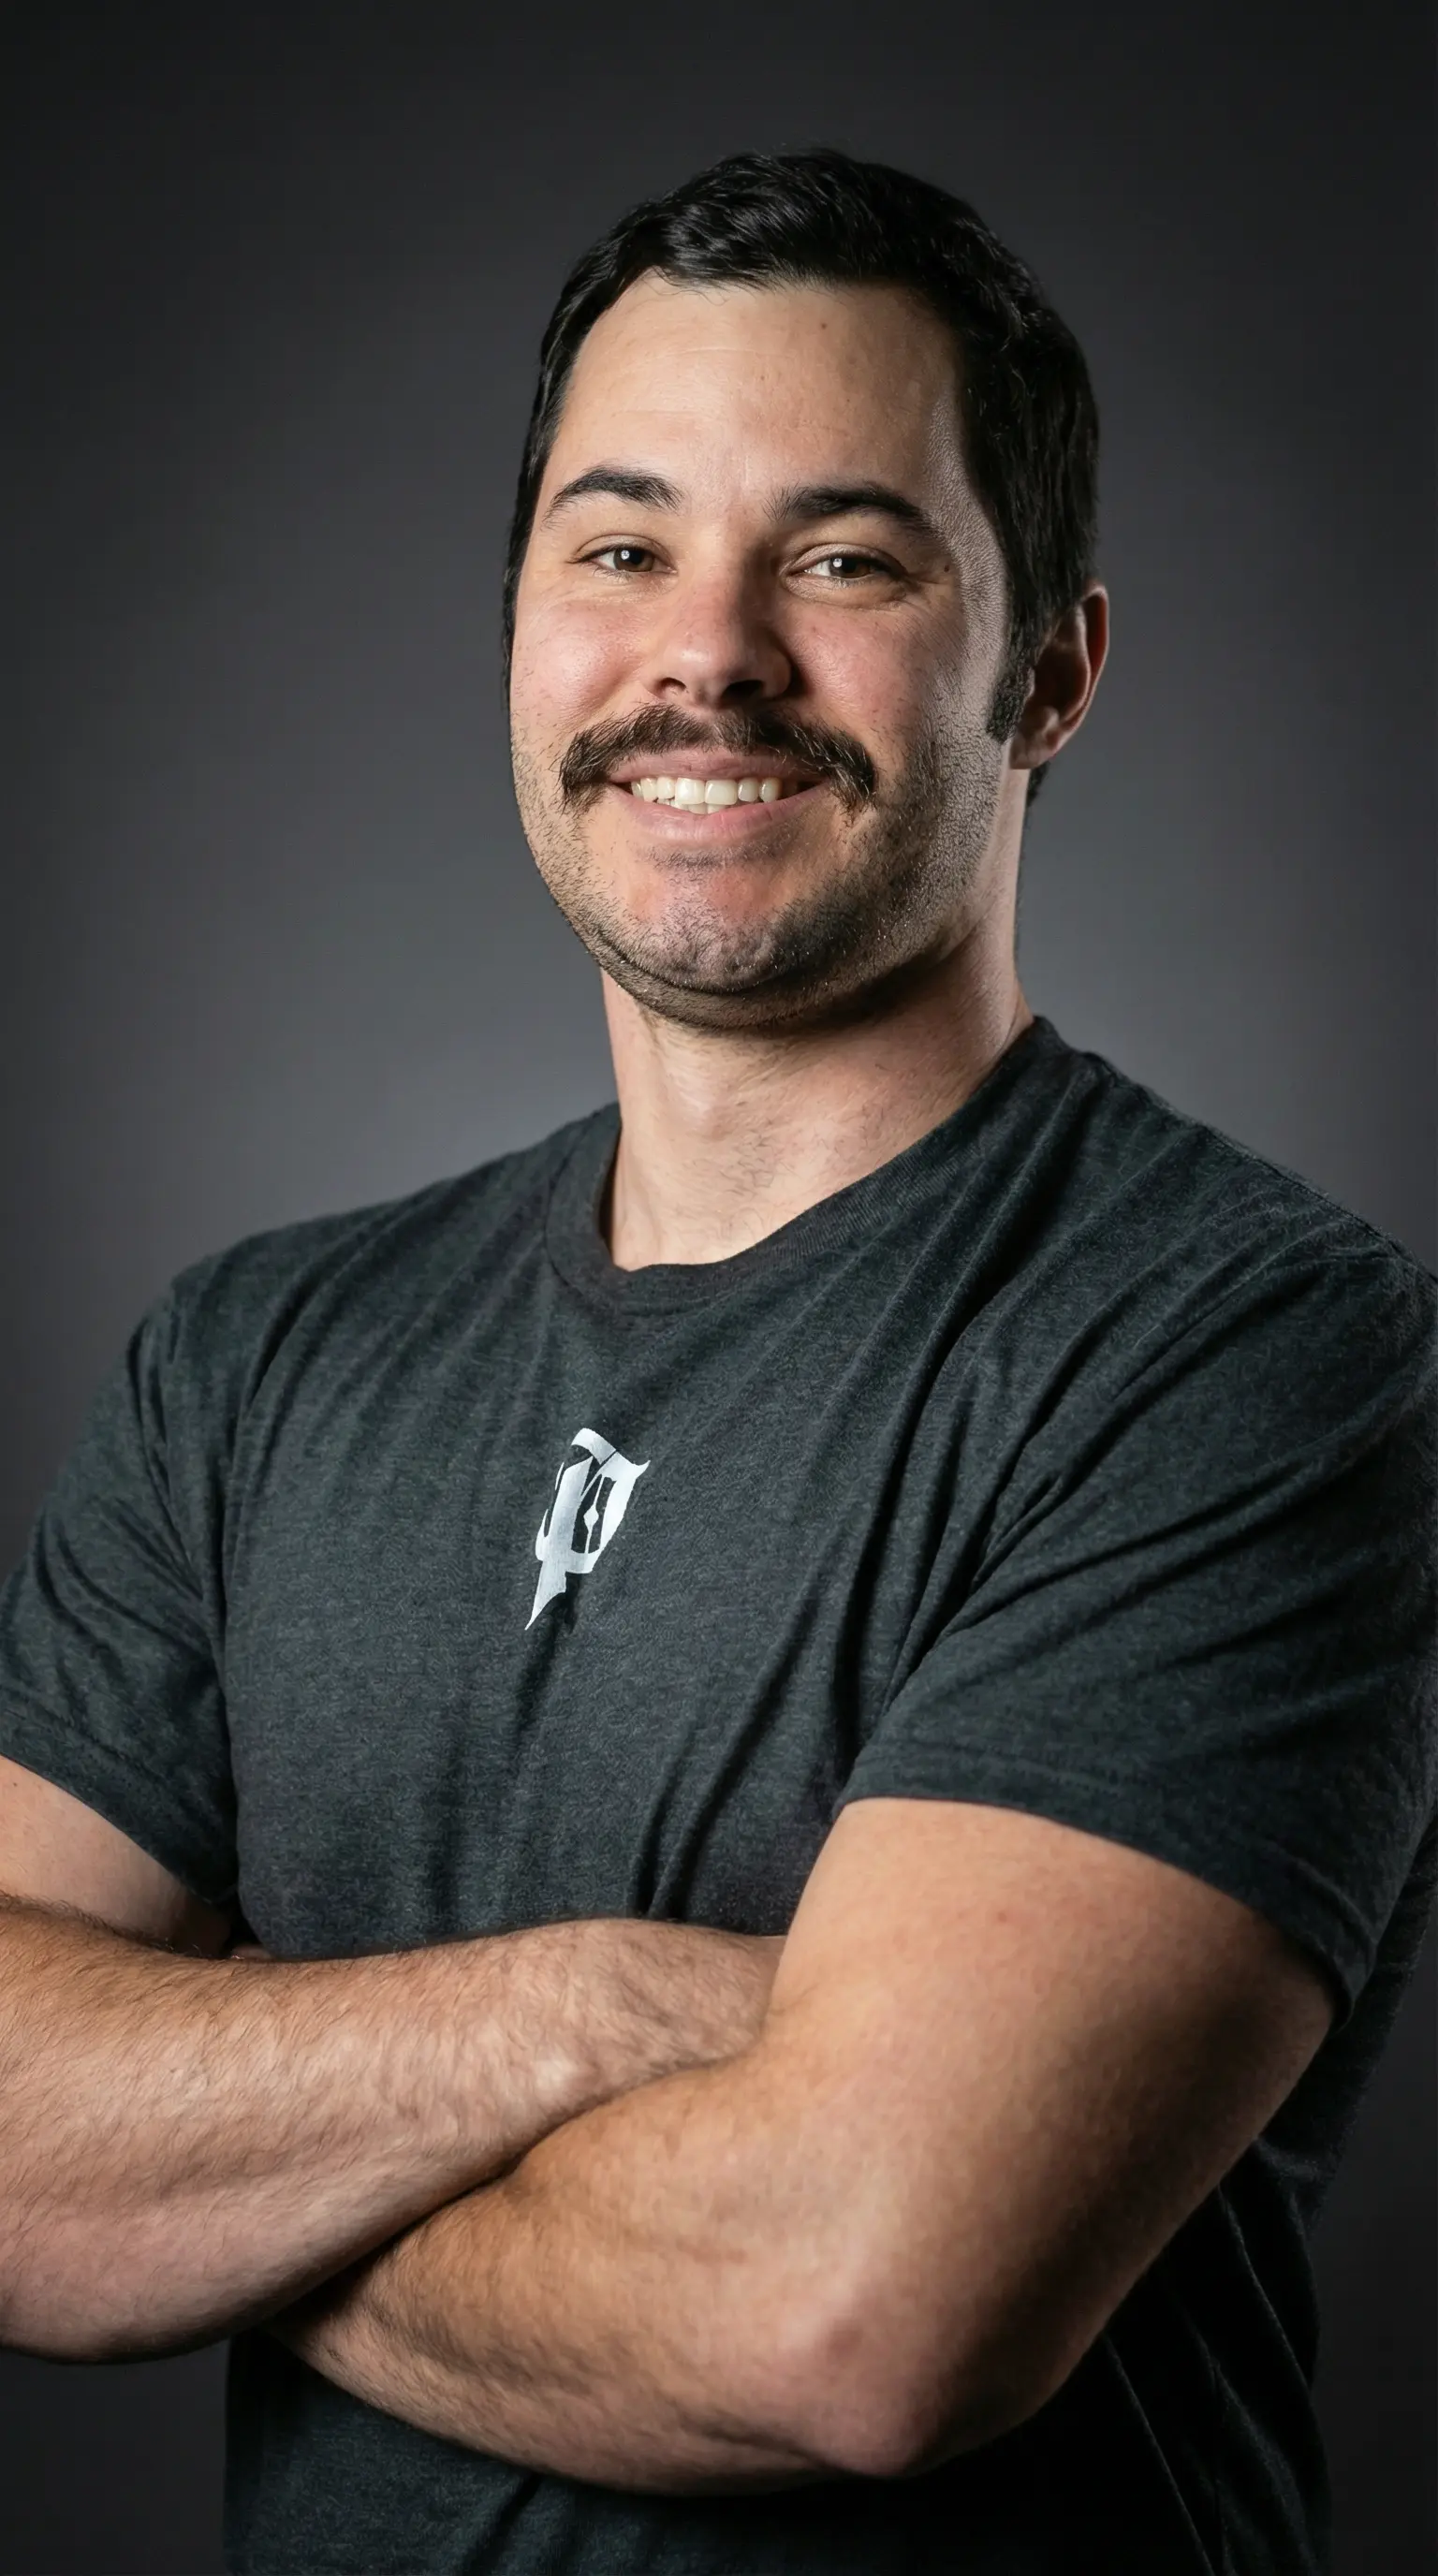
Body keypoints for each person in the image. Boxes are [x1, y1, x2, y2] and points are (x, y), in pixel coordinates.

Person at [0, 148, 1431, 2576]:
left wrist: (194, 2171)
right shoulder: (250, 1362)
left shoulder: (1247, 1349)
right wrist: (586, 2014)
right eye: (621, 546)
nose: (713, 655)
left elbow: (846, 2314)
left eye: (845, 559)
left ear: (1052, 671)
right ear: (518, 626)